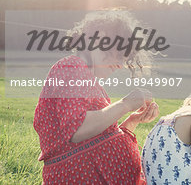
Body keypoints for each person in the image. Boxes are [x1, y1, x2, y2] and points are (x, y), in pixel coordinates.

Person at [33, 10, 160, 184]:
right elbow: (77, 130)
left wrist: (132, 120)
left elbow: (97, 136)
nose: (121, 65)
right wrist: (125, 104)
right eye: (119, 54)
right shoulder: (71, 66)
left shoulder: (89, 80)